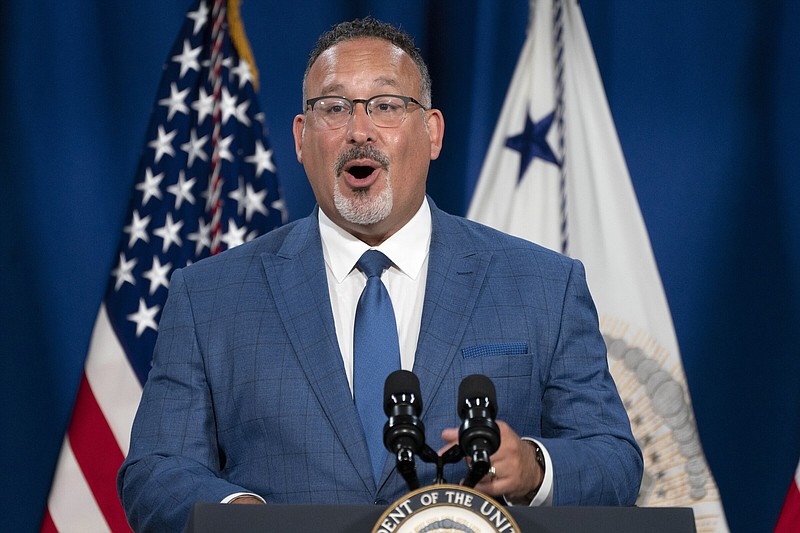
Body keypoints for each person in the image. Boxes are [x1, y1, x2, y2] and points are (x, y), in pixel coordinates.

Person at [117, 17, 643, 531]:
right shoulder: (210, 296)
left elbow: (614, 462)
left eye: (387, 106)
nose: (359, 131)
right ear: (301, 139)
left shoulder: (543, 286)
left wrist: (533, 468)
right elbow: (155, 471)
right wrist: (240, 515)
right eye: (334, 108)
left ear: (432, 133)